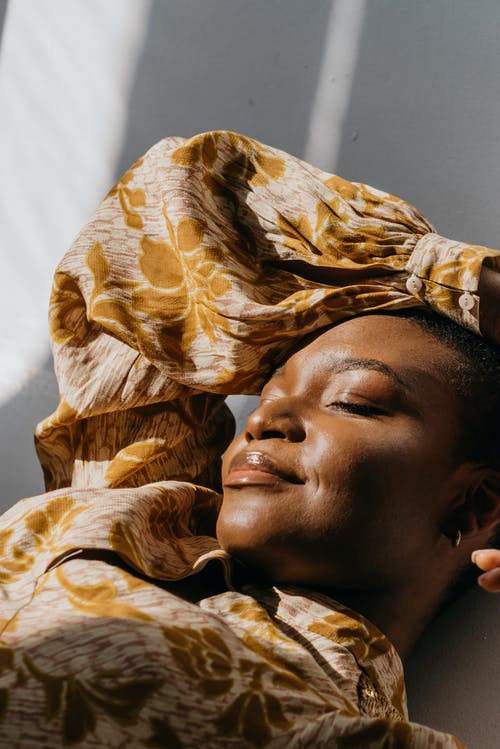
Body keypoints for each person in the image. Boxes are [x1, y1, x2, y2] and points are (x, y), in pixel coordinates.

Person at [1, 131, 500, 748]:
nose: (266, 420)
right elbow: (171, 196)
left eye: (353, 401)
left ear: (475, 505)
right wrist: (454, 279)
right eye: (266, 395)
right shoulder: (142, 510)